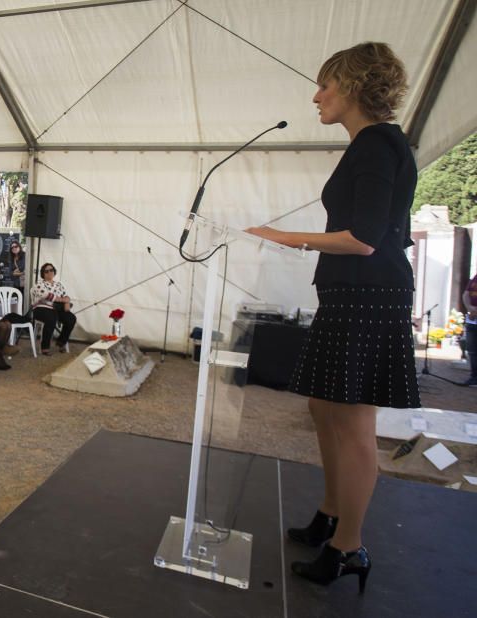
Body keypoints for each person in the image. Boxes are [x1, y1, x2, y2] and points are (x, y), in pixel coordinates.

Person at [245, 42, 418, 591]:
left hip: (370, 293)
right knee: (325, 407)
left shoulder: (375, 145)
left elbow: (363, 239)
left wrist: (282, 237)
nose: (317, 95)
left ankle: (349, 546)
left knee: (353, 422)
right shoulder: (370, 145)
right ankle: (330, 512)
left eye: (326, 85)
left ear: (355, 86)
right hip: (351, 294)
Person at [29, 263, 76, 355]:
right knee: (51, 317)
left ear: (54, 271)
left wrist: (67, 301)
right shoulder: (39, 283)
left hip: (57, 308)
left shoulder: (59, 284)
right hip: (41, 308)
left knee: (71, 318)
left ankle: (61, 342)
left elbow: (65, 295)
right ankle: (45, 347)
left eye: (51, 270)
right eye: (46, 271)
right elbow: (45, 295)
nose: (49, 272)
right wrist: (63, 300)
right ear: (43, 273)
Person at [463, 273, 477, 387]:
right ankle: (474, 377)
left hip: (474, 315)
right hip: (472, 320)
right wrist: (470, 308)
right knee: (472, 351)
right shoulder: (475, 277)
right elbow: (466, 294)